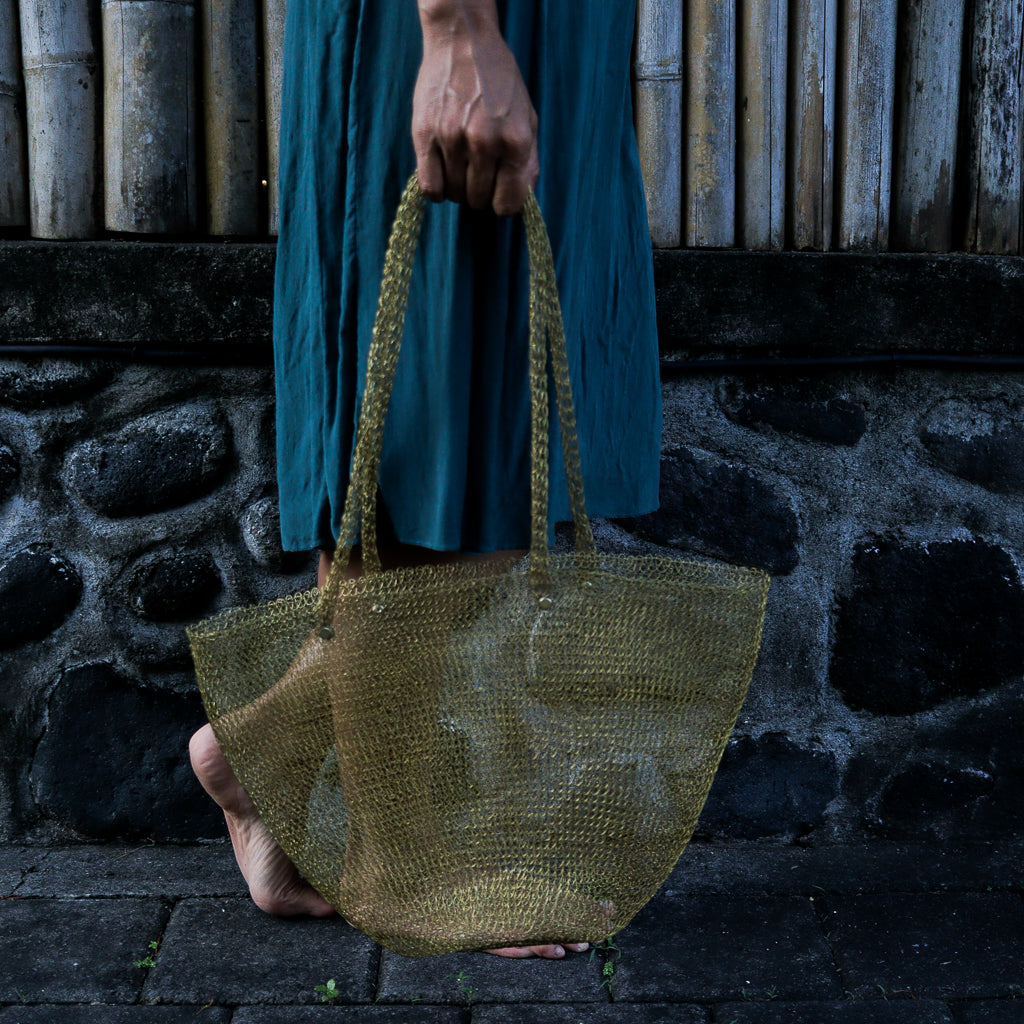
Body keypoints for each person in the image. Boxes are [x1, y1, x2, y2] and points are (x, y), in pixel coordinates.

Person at [189, 0, 662, 958]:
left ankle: (265, 757)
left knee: (495, 442)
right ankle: (398, 861)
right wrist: (455, 29)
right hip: (460, 28)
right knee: (420, 428)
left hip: (551, 29)